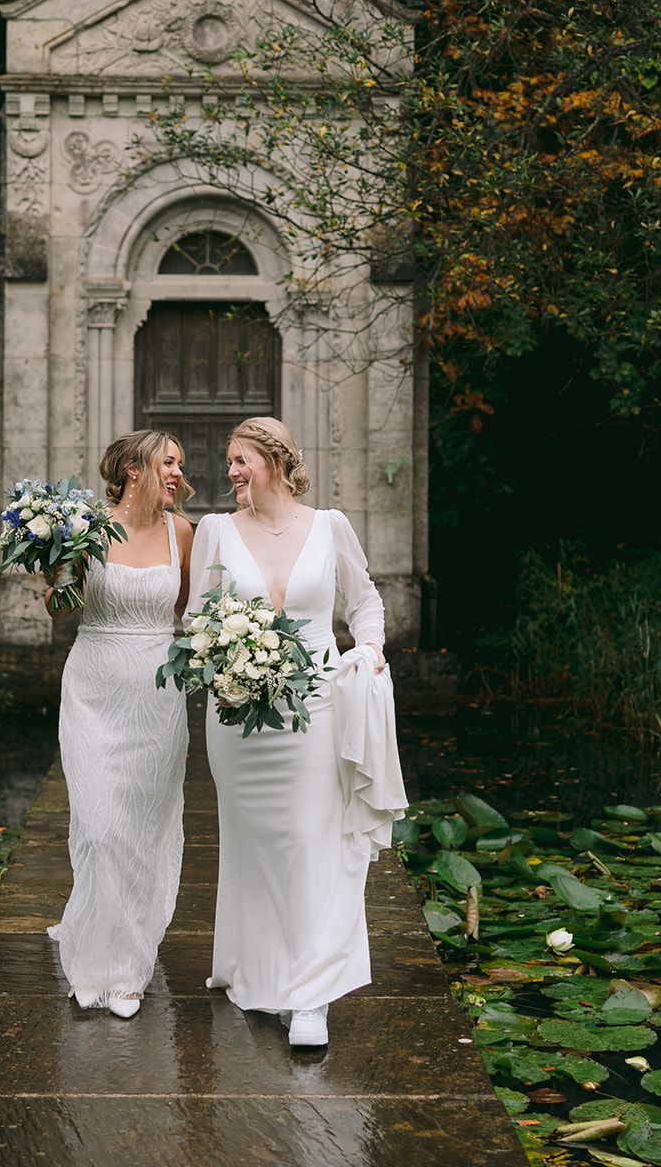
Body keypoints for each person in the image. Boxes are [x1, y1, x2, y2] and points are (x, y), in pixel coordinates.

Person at [186, 415, 407, 1049]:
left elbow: (365, 601)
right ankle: (258, 969)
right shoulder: (216, 532)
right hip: (239, 713)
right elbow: (198, 618)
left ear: (275, 461)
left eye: (239, 460)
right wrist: (220, 660)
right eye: (228, 462)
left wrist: (368, 647)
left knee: (314, 843)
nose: (229, 472)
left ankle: (311, 996)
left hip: (316, 707)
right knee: (255, 847)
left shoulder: (330, 525)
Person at [48, 430, 193, 1018]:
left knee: (142, 833)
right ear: (135, 470)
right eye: (168, 462)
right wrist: (55, 570)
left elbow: (187, 616)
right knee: (100, 826)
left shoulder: (183, 532)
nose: (179, 473)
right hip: (93, 686)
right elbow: (61, 608)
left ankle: (128, 970)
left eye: (181, 463)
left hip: (158, 694)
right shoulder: (86, 528)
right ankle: (91, 958)